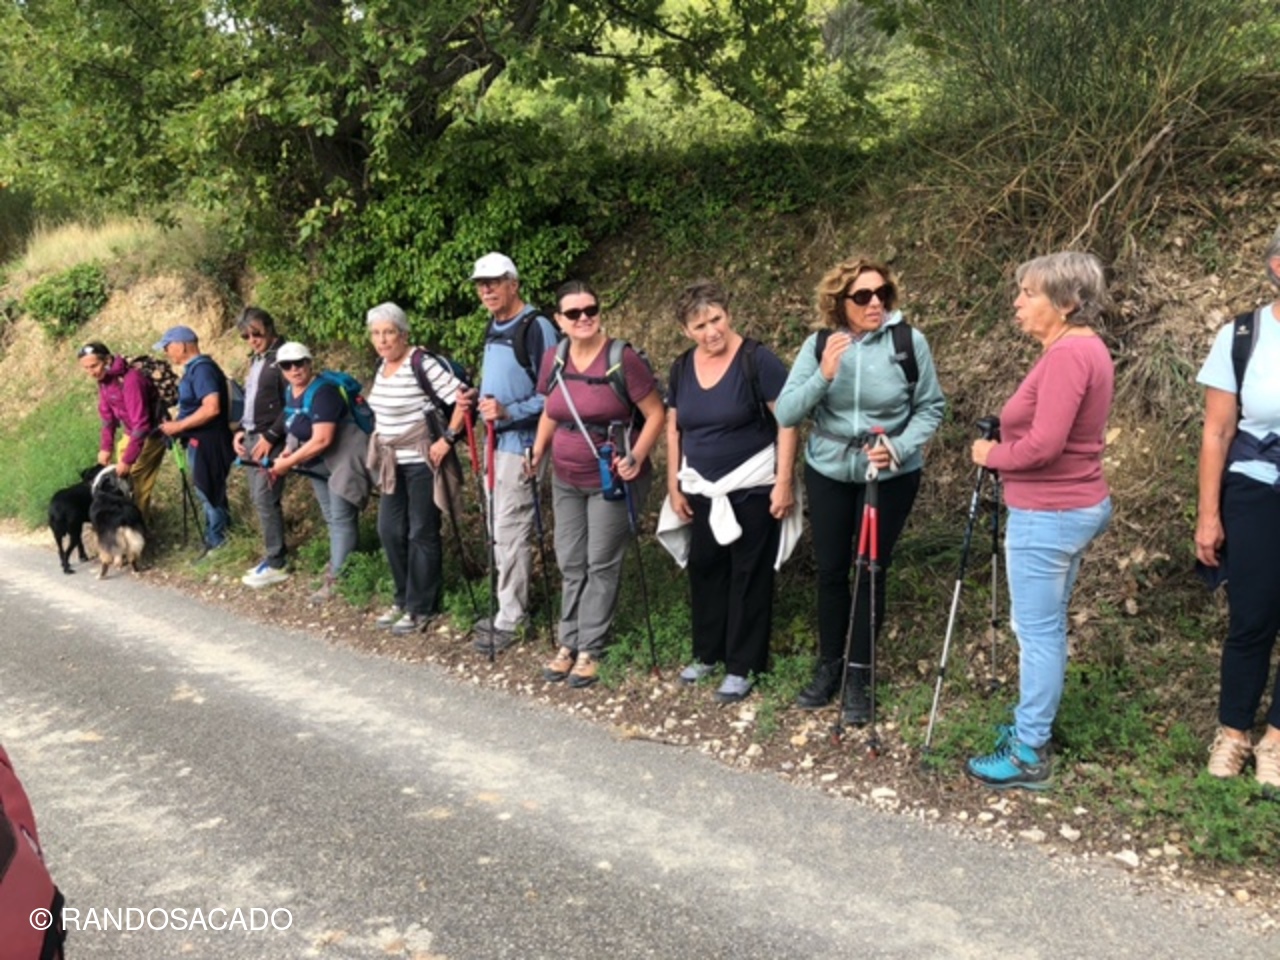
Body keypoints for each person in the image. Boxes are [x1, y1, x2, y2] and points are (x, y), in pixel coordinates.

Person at [965, 251, 1114, 790]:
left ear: (1067, 302)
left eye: (1029, 293)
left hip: (1049, 512)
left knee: (1037, 631)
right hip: (1071, 505)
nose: (1017, 302)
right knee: (1044, 626)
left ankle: (1029, 751)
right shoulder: (1081, 348)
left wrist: (991, 455)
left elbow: (1045, 446)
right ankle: (1034, 723)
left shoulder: (1069, 355)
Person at [775, 257, 946, 724]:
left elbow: (931, 407)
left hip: (890, 475)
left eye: (882, 293)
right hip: (829, 470)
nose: (876, 303)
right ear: (840, 302)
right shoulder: (818, 345)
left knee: (871, 570)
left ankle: (860, 673)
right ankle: (830, 664)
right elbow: (787, 412)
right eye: (864, 296)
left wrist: (898, 447)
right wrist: (824, 375)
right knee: (831, 571)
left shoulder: (908, 342)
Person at [657, 281, 800, 703]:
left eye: (716, 319)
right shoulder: (682, 368)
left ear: (728, 314)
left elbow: (788, 420)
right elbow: (674, 428)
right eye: (700, 326)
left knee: (749, 575)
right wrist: (673, 485)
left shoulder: (758, 360)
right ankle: (707, 653)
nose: (711, 332)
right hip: (700, 487)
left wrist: (784, 481)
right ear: (685, 330)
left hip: (752, 487)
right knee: (705, 568)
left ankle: (743, 666)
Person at [529, 280, 665, 688]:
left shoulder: (622, 359)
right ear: (559, 320)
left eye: (591, 309)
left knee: (600, 562)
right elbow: (551, 410)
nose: (584, 318)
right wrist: (538, 450)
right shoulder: (554, 358)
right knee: (571, 560)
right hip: (566, 477)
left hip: (611, 478)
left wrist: (635, 456)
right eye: (574, 313)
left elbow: (656, 413)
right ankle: (568, 642)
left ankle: (590, 648)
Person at [1195, 225, 1280, 789]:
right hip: (1255, 487)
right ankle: (1233, 734)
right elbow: (1217, 432)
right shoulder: (1243, 335)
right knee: (1252, 616)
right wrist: (1209, 515)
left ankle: (1277, 740)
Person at [458, 253, 561, 652]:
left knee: (511, 529)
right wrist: (476, 398)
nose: (486, 290)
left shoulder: (536, 327)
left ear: (513, 284)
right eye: (481, 284)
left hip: (523, 444)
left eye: (494, 282)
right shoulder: (495, 325)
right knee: (498, 528)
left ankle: (512, 618)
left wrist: (507, 412)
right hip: (496, 441)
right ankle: (508, 608)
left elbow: (554, 394)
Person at [365, 303, 469, 634]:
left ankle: (422, 606)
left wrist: (447, 439)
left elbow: (463, 398)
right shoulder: (382, 366)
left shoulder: (420, 363)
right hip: (392, 463)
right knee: (389, 530)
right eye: (376, 333)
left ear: (404, 334)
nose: (382, 340)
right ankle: (402, 598)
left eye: (389, 332)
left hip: (423, 462)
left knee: (421, 531)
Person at [265, 343, 373, 603]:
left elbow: (322, 439)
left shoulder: (324, 392)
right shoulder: (292, 391)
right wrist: (287, 452)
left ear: (309, 362)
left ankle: (338, 579)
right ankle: (341, 565)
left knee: (341, 518)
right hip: (320, 462)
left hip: (346, 459)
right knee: (331, 516)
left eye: (299, 363)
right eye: (287, 365)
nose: (294, 369)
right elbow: (294, 425)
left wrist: (288, 463)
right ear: (280, 369)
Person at [156, 326, 236, 556]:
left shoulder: (202, 370)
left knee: (209, 492)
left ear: (182, 345)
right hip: (201, 439)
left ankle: (217, 543)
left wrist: (179, 426)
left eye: (167, 347)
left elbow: (212, 408)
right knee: (209, 490)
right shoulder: (197, 370)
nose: (166, 353)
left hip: (208, 441)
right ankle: (220, 539)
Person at [232, 307, 291, 588]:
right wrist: (241, 430)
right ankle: (272, 556)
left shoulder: (283, 358)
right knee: (259, 499)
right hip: (252, 436)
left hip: (271, 439)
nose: (252, 340)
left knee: (265, 498)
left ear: (269, 328)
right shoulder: (258, 358)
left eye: (256, 334)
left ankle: (277, 561)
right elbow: (252, 400)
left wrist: (270, 436)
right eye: (246, 336)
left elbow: (292, 403)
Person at [76, 342, 166, 525]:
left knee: (137, 479)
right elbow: (107, 417)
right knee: (121, 479)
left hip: (151, 434)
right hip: (130, 433)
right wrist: (106, 447)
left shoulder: (131, 380)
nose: (91, 372)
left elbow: (142, 424)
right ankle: (124, 525)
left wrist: (128, 460)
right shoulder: (104, 380)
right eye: (86, 368)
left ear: (107, 360)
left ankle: (139, 528)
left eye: (94, 366)